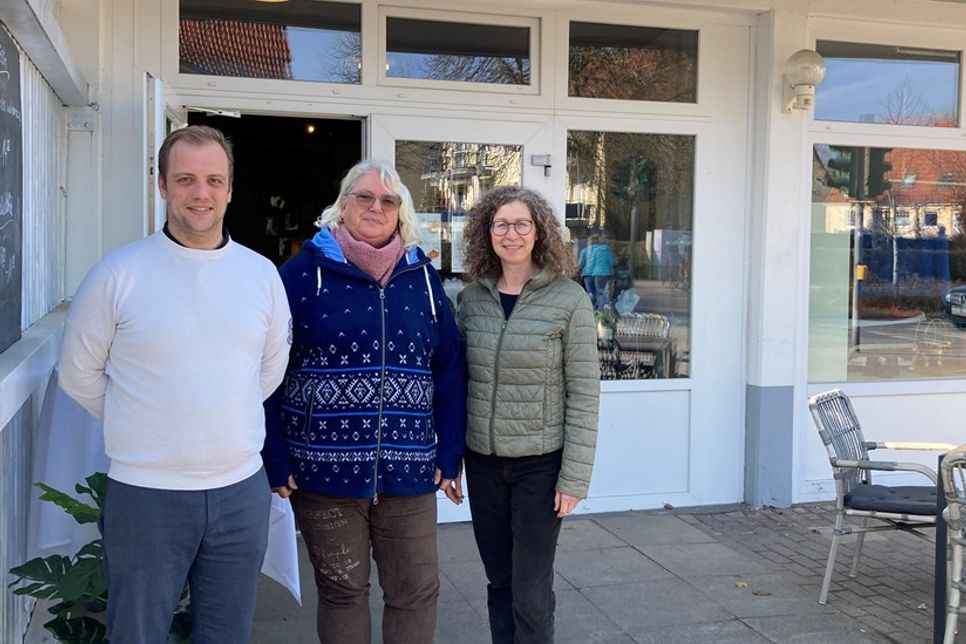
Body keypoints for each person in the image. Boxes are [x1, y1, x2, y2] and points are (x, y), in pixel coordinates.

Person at [58, 125, 292, 643]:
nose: (201, 193)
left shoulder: (261, 276)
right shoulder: (118, 275)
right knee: (137, 633)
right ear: (162, 185)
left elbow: (269, 370)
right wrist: (147, 421)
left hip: (239, 492)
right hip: (146, 496)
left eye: (214, 179)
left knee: (227, 634)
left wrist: (214, 415)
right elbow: (78, 375)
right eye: (185, 179)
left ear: (231, 188)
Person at [262, 160, 467, 644]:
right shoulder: (299, 275)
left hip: (410, 472)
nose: (376, 206)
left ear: (400, 214)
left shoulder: (423, 279)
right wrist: (275, 456)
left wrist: (449, 452)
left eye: (388, 200)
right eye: (364, 196)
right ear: (342, 204)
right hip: (323, 472)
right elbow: (265, 370)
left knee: (416, 591)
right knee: (341, 593)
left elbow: (451, 367)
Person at [458, 186, 600, 644]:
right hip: (482, 463)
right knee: (500, 580)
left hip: (541, 466)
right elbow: (457, 383)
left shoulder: (569, 299)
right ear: (488, 232)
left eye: (522, 224)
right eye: (501, 224)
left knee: (530, 589)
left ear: (539, 233)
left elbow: (583, 393)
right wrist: (449, 461)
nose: (511, 234)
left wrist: (574, 477)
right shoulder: (472, 298)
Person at [585, 236, 617, 309]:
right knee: (606, 291)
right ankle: (605, 306)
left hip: (597, 274)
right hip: (607, 274)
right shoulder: (608, 251)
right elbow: (612, 262)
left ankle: (600, 308)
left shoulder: (596, 251)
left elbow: (592, 263)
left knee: (599, 292)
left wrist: (590, 272)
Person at [577, 234, 599, 299]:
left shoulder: (585, 250)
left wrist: (578, 270)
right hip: (598, 273)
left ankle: (591, 306)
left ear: (589, 242)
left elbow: (581, 263)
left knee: (590, 292)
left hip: (587, 273)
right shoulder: (600, 250)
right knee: (598, 292)